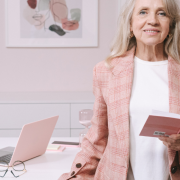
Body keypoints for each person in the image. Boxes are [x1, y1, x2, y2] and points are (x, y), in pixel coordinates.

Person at [59, 0, 180, 179]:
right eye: (143, 12)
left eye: (162, 13)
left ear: (170, 26)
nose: (152, 20)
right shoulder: (107, 71)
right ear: (130, 25)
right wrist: (75, 175)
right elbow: (97, 138)